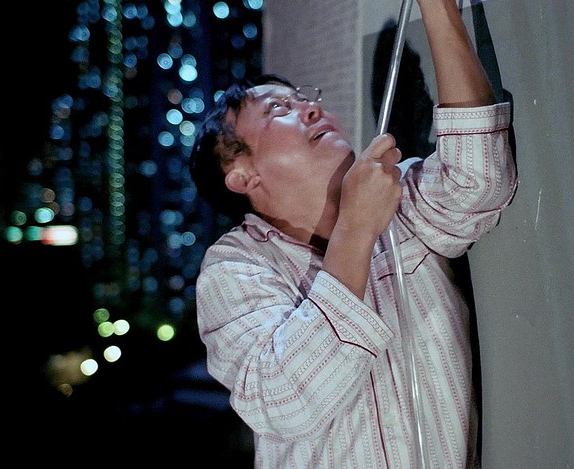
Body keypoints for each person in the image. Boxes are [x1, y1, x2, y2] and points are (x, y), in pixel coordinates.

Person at [187, 0, 517, 467]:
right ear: (242, 175)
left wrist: (438, 8)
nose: (310, 108)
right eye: (279, 108)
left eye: (305, 98)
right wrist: (356, 230)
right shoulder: (234, 267)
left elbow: (479, 184)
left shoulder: (394, 197)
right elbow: (284, 396)